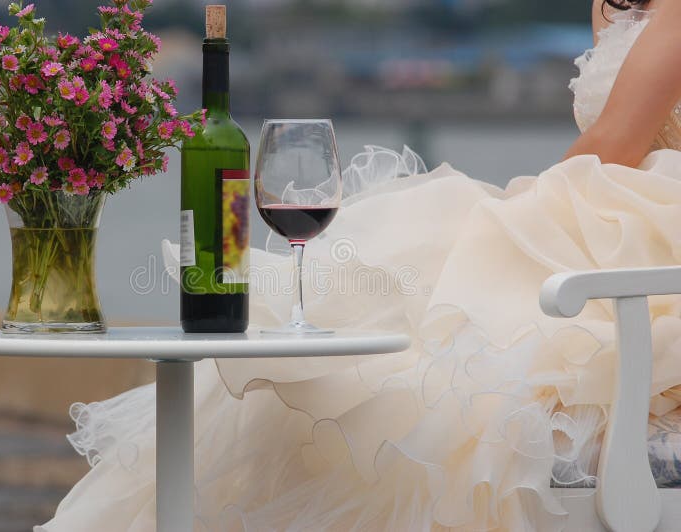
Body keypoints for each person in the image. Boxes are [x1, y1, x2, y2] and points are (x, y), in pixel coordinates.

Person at [38, 1, 681, 530]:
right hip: (592, 207)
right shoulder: (611, 5)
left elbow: (618, 142)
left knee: (436, 284)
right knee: (394, 282)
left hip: (645, 224)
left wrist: (519, 207)